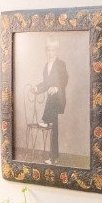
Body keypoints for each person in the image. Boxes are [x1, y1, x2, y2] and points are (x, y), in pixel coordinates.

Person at [39, 35, 70, 163]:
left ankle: (45, 119)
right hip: (51, 101)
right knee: (53, 128)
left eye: (53, 50)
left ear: (56, 51)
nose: (50, 53)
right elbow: (45, 84)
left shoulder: (61, 64)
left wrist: (56, 88)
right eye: (48, 50)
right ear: (46, 51)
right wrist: (37, 88)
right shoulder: (47, 65)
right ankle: (54, 157)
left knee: (52, 125)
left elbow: (64, 79)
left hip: (58, 99)